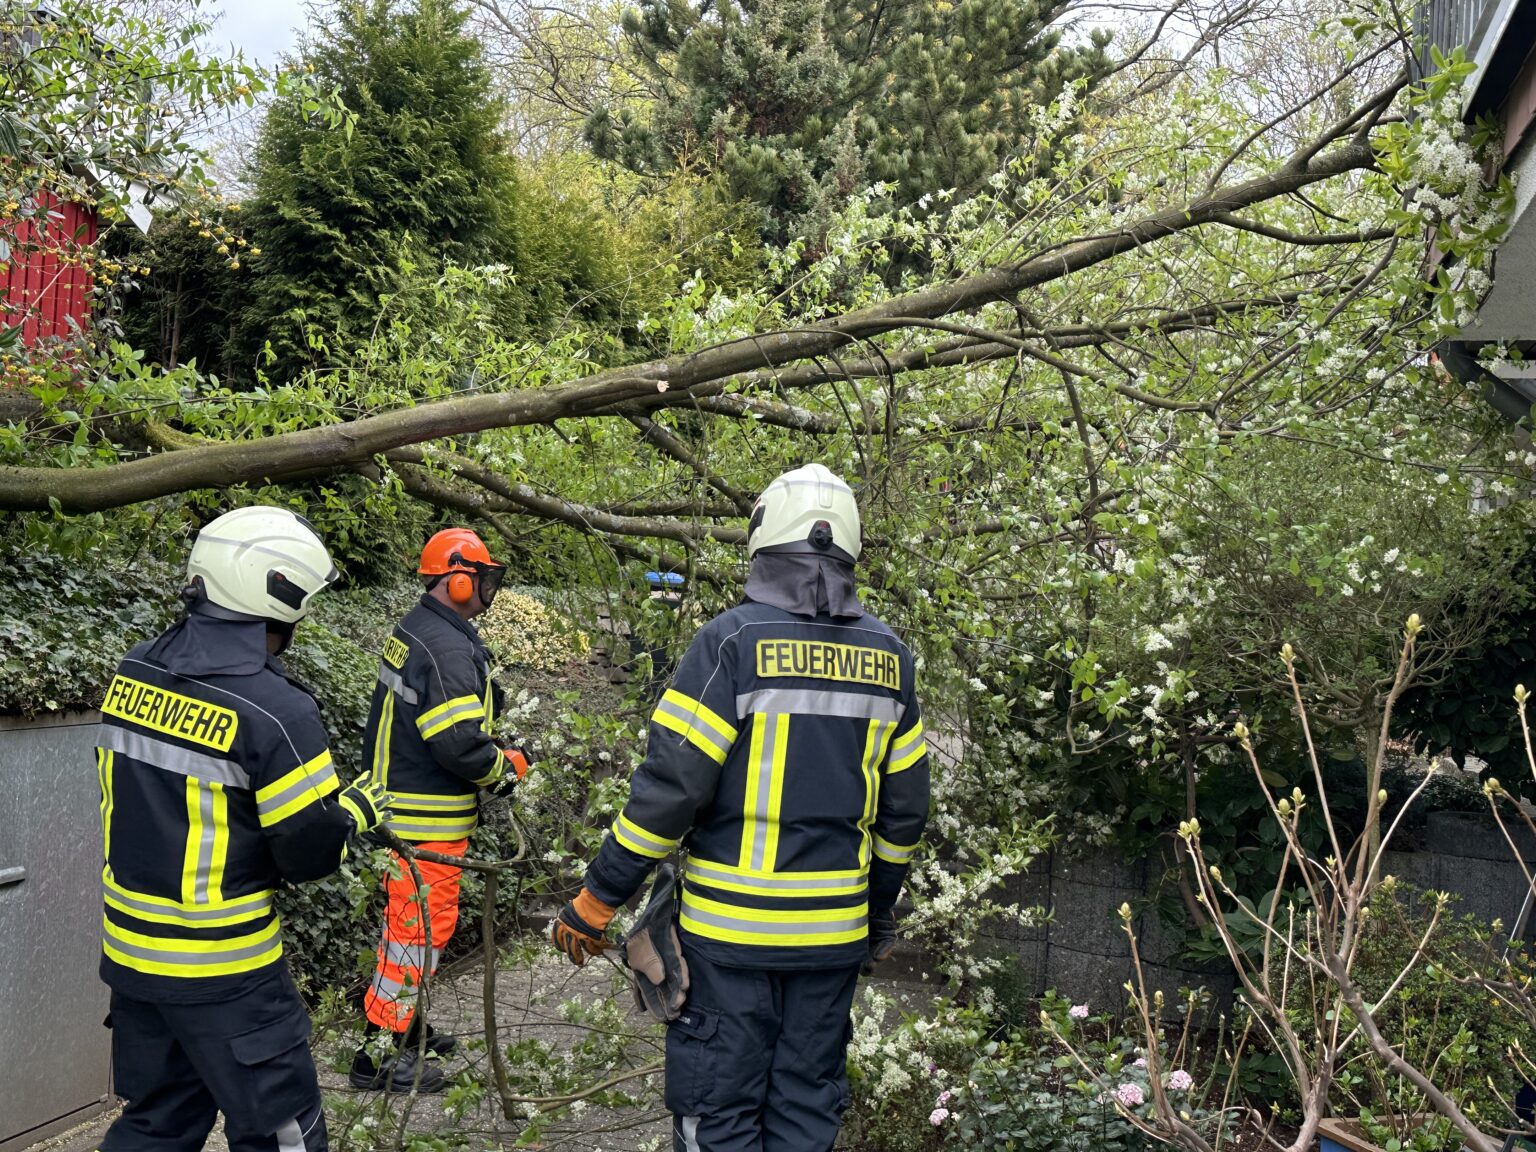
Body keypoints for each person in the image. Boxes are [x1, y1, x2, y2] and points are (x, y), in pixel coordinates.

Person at [551, 463, 932, 1152]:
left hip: (730, 943)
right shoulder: (891, 660)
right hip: (832, 939)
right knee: (806, 1112)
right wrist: (874, 916)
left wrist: (599, 897)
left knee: (717, 1114)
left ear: (764, 540)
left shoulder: (730, 643)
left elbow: (672, 789)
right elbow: (904, 817)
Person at [96, 506, 393, 1152]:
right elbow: (308, 852)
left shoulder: (134, 671)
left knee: (156, 1125)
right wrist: (354, 813)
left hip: (133, 960)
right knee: (282, 1134)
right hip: (226, 974)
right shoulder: (277, 712)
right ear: (277, 596)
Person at [350, 527, 532, 1093]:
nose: (487, 589)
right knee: (417, 933)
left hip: (402, 808)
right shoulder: (446, 646)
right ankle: (378, 1056)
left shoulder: (420, 629)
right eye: (481, 578)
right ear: (456, 581)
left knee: (409, 929)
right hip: (422, 819)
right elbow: (455, 743)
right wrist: (503, 770)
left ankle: (402, 1025)